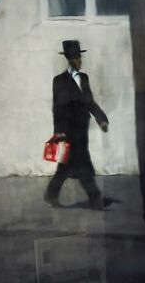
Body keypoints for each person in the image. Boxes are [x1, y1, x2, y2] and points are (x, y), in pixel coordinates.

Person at [44, 40, 109, 211]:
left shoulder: (84, 78)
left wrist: (101, 118)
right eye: (77, 58)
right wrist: (58, 131)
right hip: (68, 131)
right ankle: (95, 197)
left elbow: (89, 102)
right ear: (70, 59)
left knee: (65, 166)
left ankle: (51, 194)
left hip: (82, 130)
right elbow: (57, 108)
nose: (80, 61)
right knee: (81, 164)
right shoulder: (59, 81)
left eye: (80, 57)